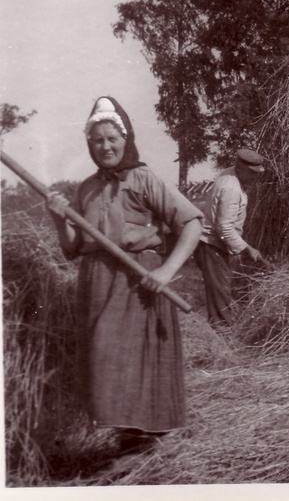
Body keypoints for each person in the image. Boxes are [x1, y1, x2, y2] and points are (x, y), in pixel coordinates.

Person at [46, 96, 203, 454]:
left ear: (126, 138)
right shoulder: (86, 188)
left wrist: (167, 271)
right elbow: (73, 249)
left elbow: (192, 223)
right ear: (90, 144)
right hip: (98, 284)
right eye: (98, 140)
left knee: (138, 363)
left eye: (112, 138)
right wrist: (59, 218)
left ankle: (147, 446)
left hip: (138, 284)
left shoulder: (143, 178)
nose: (105, 146)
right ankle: (129, 443)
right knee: (107, 365)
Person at [195, 148, 267, 326]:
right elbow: (224, 228)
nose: (255, 178)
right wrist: (247, 249)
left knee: (220, 292)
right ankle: (224, 339)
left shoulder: (230, 174)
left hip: (216, 244)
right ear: (240, 168)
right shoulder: (231, 189)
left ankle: (220, 332)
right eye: (251, 173)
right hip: (212, 245)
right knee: (221, 295)